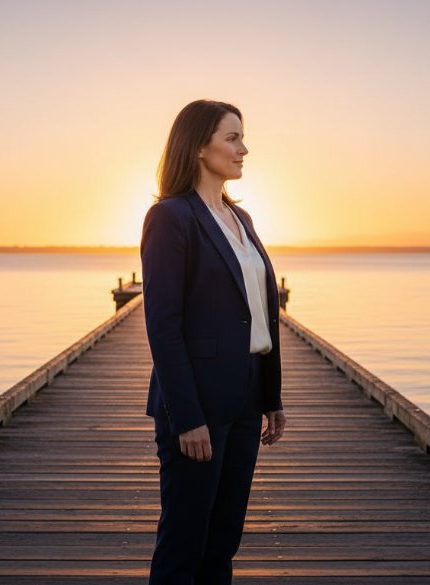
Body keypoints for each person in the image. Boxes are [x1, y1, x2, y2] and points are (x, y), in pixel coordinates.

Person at [140, 99, 287, 585]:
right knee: (185, 543)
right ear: (200, 147)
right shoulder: (171, 217)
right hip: (197, 401)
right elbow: (163, 325)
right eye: (232, 137)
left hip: (245, 396)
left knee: (224, 540)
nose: (243, 149)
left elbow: (261, 313)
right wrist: (188, 417)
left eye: (242, 138)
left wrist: (271, 396)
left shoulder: (241, 220)